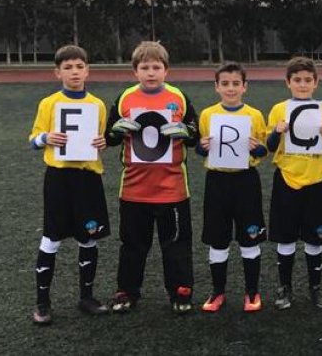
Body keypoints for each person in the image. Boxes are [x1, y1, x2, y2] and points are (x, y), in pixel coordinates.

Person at [105, 41, 199, 314]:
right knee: (133, 244)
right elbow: (109, 137)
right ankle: (127, 291)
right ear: (135, 71)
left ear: (166, 70)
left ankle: (181, 291)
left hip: (172, 189)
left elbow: (195, 136)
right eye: (144, 67)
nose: (150, 72)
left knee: (176, 245)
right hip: (134, 188)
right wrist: (115, 131)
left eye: (156, 67)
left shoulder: (179, 97)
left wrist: (186, 131)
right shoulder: (125, 98)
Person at [27, 45, 110, 326]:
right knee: (52, 239)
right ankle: (42, 303)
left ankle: (86, 296)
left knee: (88, 237)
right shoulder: (49, 103)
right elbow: (33, 140)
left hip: (88, 179)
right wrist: (46, 138)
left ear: (87, 70)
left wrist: (103, 143)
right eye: (67, 67)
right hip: (59, 179)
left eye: (79, 66)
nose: (74, 72)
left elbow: (99, 141)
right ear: (57, 72)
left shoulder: (97, 105)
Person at [265, 56, 322, 311]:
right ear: (288, 82)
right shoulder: (278, 110)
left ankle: (315, 287)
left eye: (308, 80)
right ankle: (285, 287)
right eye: (297, 80)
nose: (303, 84)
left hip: (316, 180)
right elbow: (269, 146)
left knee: (314, 238)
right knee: (285, 238)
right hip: (286, 179)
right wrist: (278, 131)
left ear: (316, 83)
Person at [196, 62, 268, 314]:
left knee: (249, 238)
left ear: (245, 87)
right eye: (225, 84)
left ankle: (252, 291)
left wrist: (256, 148)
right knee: (218, 240)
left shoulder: (255, 115)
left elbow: (263, 150)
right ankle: (217, 292)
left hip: (246, 181)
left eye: (236, 83)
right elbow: (199, 146)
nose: (230, 88)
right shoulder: (207, 115)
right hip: (217, 181)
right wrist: (201, 146)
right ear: (216, 87)